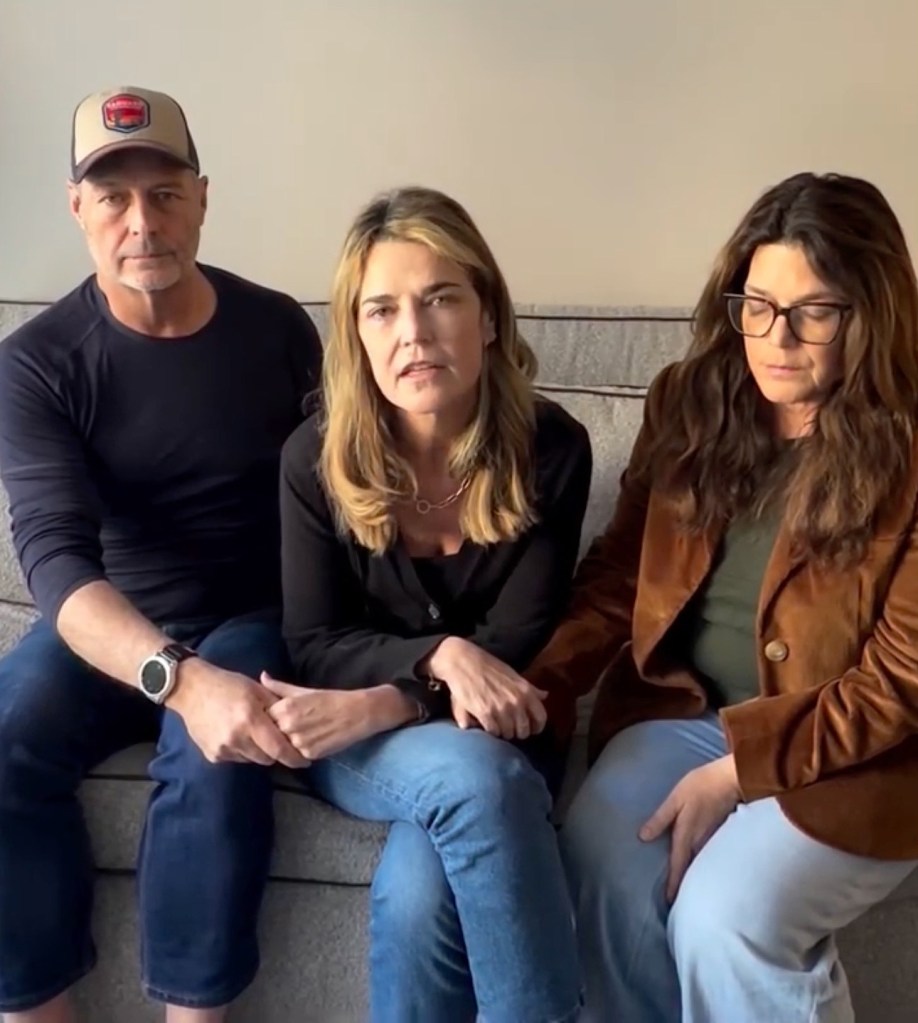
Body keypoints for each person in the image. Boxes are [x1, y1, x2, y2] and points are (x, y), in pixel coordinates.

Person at [526, 171, 918, 1023]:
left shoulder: (910, 447)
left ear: (873, 310)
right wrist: (540, 684)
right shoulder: (690, 402)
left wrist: (740, 768)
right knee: (598, 865)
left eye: (815, 311)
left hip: (858, 756)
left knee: (724, 919)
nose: (777, 338)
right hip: (679, 715)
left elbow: (899, 685)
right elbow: (619, 575)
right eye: (758, 303)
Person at [0, 87, 322, 1023]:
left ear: (203, 196)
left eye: (166, 192)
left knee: (218, 756)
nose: (144, 223)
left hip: (251, 612)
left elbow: (337, 493)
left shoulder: (280, 330)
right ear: (78, 209)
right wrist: (179, 678)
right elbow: (55, 563)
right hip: (110, 623)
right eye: (114, 197)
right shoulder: (37, 363)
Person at [262, 185, 591, 1023]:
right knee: (480, 785)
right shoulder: (313, 459)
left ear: (487, 315)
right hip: (361, 741)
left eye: (441, 297)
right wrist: (439, 656)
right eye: (382, 310)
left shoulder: (551, 449)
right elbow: (313, 640)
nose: (413, 332)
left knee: (417, 894)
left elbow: (518, 639)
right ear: (356, 333)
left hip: (491, 719)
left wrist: (395, 694)